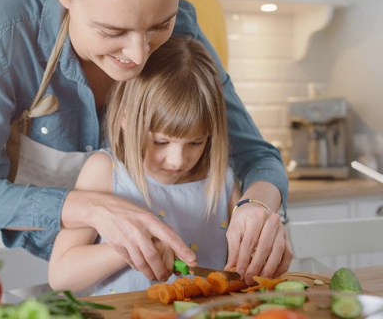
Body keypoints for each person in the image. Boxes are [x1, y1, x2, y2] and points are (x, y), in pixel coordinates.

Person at [0, 0, 292, 285]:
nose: (138, 55)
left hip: (107, 277)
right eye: (111, 31)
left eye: (160, 25)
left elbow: (257, 157)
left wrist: (257, 207)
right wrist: (93, 208)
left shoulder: (184, 30)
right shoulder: (6, 28)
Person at [48, 35, 241, 294]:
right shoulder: (106, 172)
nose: (177, 160)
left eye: (195, 143)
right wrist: (135, 245)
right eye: (161, 142)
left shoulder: (222, 181)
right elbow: (61, 276)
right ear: (126, 118)